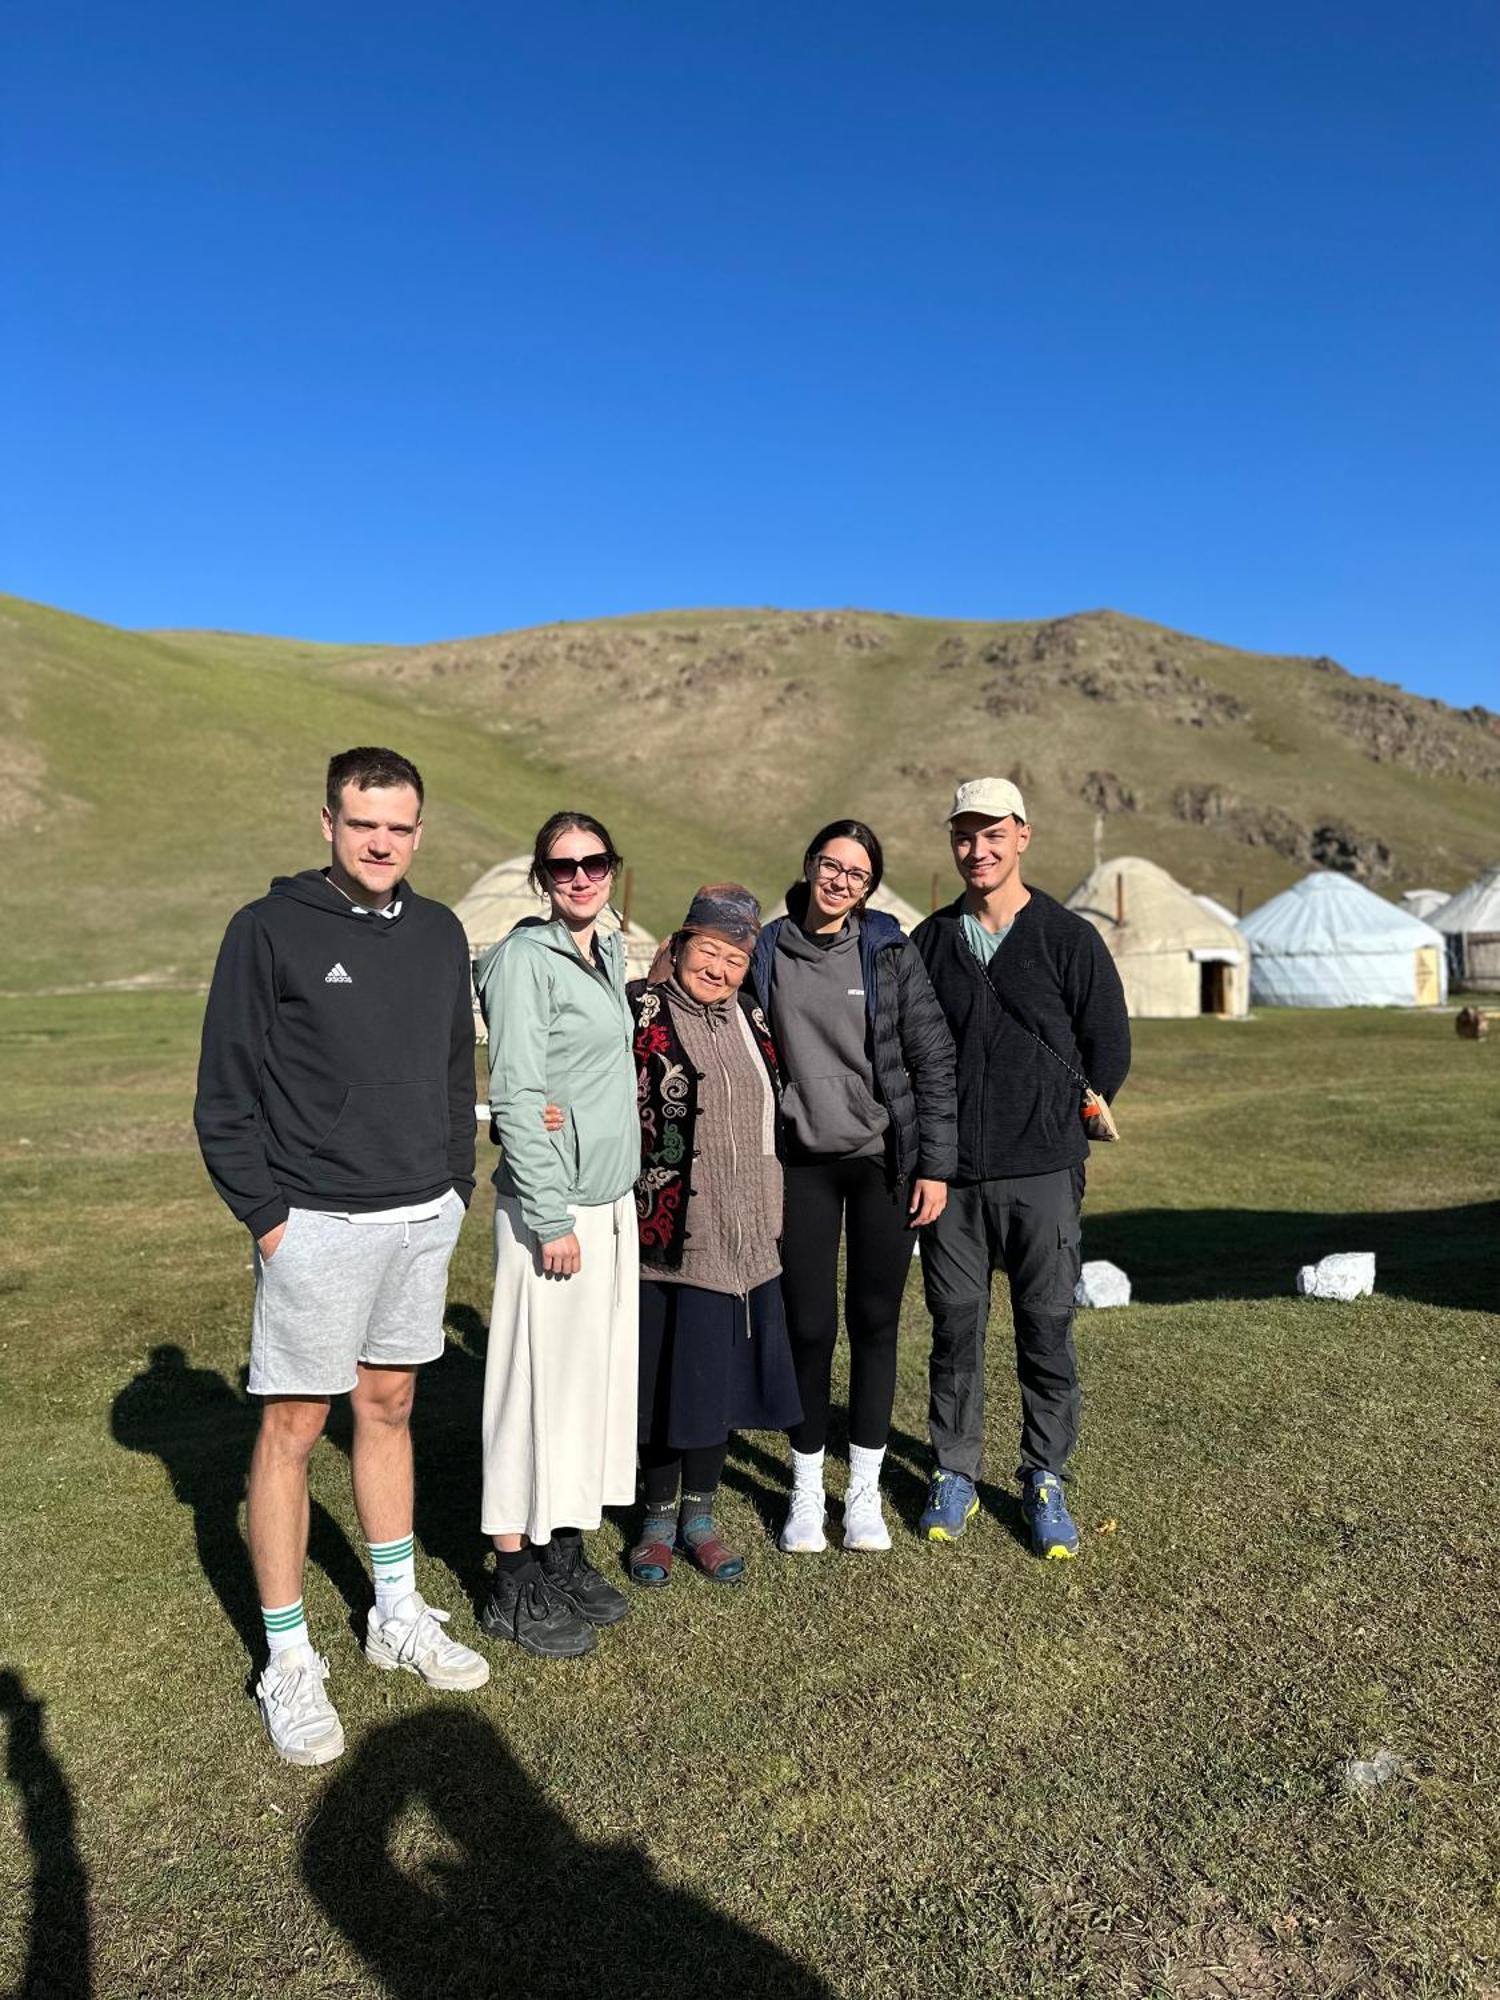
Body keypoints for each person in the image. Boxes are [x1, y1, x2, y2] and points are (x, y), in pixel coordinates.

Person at [194, 746, 488, 1768]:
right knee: (290, 1421)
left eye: (399, 825)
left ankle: (395, 1611)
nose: (381, 841)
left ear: (418, 830)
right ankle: (287, 1656)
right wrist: (270, 1216)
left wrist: (456, 1182)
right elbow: (224, 1092)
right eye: (363, 822)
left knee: (391, 1405)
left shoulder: (443, 930)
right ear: (327, 821)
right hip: (314, 1217)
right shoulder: (266, 928)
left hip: (419, 1215)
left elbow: (459, 1067)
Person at [910, 778, 1130, 1557]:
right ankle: (955, 1469)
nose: (978, 850)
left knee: (1045, 1325)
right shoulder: (931, 940)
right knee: (956, 1327)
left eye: (992, 835)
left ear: (1023, 836)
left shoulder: (1069, 938)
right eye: (965, 837)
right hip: (955, 1176)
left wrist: (1052, 1120)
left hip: (1042, 1169)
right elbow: (910, 1050)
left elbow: (1109, 1047)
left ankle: (1045, 1474)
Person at [750, 821, 956, 1554]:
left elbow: (933, 1061)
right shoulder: (767, 947)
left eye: (857, 874)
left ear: (870, 887)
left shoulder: (889, 952)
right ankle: (806, 1492)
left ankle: (861, 1492)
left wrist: (934, 1164)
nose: (840, 881)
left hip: (880, 1161)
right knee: (808, 1326)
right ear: (807, 867)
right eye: (830, 866)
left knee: (874, 1322)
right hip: (800, 1159)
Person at [475, 812, 640, 1658]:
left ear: (613, 869)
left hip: (609, 1202)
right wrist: (549, 1216)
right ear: (542, 876)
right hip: (556, 1211)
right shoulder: (519, 962)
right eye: (563, 866)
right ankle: (510, 1581)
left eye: (594, 863)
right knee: (528, 1389)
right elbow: (516, 1093)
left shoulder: (606, 953)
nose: (580, 877)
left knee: (586, 1387)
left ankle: (563, 1549)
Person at [626, 886, 801, 1586]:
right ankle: (657, 1520)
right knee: (670, 1381)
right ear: (681, 943)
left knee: (717, 1380)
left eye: (735, 958)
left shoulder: (752, 1018)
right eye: (709, 951)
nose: (721, 968)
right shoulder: (641, 1011)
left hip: (746, 1232)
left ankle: (702, 1515)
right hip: (670, 1231)